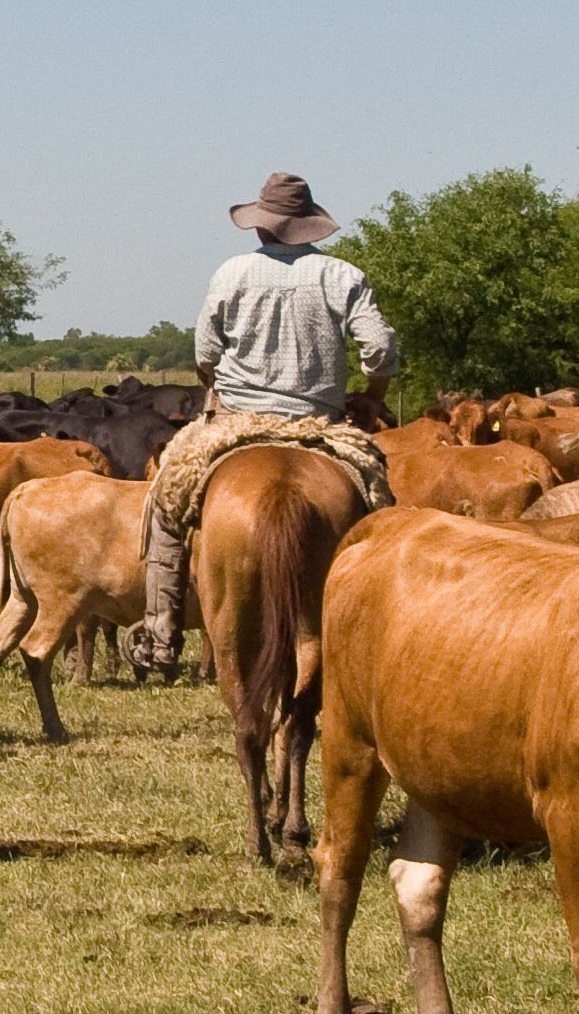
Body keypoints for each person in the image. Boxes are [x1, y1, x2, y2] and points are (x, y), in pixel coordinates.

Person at [125, 172, 399, 673]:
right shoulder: (343, 277)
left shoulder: (231, 273)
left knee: (165, 502)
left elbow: (205, 354)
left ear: (260, 226)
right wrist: (370, 398)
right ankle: (374, 637)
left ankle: (160, 635)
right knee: (378, 504)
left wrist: (217, 384)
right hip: (321, 425)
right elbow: (380, 350)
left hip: (235, 422)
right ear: (309, 226)